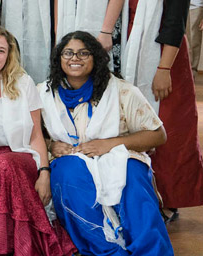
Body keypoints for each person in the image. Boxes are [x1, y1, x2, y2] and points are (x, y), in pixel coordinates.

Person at [40, 31, 172, 255]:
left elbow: (158, 135)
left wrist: (110, 144)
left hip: (120, 155)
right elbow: (30, 136)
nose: (75, 58)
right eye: (68, 53)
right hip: (71, 159)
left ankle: (150, 250)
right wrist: (51, 145)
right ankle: (107, 251)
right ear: (58, 58)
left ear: (96, 58)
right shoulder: (42, 94)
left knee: (131, 176)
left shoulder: (121, 90)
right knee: (67, 174)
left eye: (84, 53)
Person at [0, 25, 75, 256]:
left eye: (1, 51)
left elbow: (35, 135)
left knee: (3, 166)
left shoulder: (23, 82)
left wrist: (44, 172)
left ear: (9, 55)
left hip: (21, 156)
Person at [124, 0, 203, 214]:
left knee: (168, 131)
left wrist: (163, 69)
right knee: (135, 127)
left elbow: (174, 22)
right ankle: (144, 194)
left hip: (164, 58)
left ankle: (170, 200)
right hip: (135, 51)